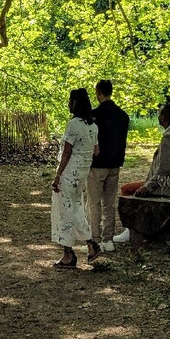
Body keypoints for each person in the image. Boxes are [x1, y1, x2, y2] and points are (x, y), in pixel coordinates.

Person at [51, 88, 100, 268]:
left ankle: (68, 254)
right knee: (77, 206)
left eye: (70, 100)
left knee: (66, 210)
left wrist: (57, 175)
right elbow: (96, 151)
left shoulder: (74, 125)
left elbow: (66, 153)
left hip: (69, 173)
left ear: (75, 103)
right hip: (82, 173)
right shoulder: (93, 126)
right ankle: (90, 243)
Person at [87, 78, 130, 258]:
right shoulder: (123, 115)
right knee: (109, 203)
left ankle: (95, 240)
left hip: (97, 165)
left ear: (98, 92)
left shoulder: (93, 116)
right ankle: (108, 239)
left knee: (94, 203)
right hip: (115, 163)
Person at [120, 103, 170, 198]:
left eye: (159, 114)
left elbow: (163, 169)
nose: (158, 117)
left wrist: (147, 187)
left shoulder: (169, 137)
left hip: (169, 187)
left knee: (126, 189)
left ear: (163, 117)